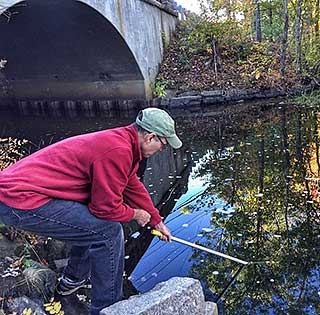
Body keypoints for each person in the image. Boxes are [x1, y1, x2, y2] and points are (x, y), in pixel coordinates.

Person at [0, 108, 182, 315]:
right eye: (162, 144)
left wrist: (156, 221)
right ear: (150, 137)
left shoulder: (123, 142)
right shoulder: (118, 151)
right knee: (108, 232)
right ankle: (109, 308)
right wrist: (135, 214)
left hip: (19, 193)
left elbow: (131, 184)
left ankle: (71, 281)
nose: (161, 149)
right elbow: (105, 209)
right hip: (19, 200)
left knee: (91, 223)